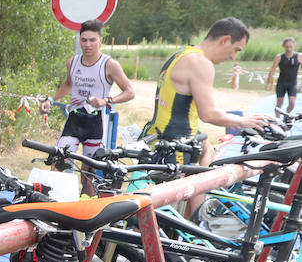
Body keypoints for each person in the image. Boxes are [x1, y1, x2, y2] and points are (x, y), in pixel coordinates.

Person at [143, 17, 275, 218]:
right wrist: (243, 121)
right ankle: (194, 232)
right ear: (225, 40)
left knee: (173, 208)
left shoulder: (180, 55)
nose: (233, 57)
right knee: (163, 221)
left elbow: (180, 109)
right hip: (175, 147)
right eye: (236, 49)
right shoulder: (201, 63)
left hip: (159, 138)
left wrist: (203, 142)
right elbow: (209, 114)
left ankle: (196, 229)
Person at [41, 20, 135, 192]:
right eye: (84, 40)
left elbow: (130, 92)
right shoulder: (73, 62)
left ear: (100, 40)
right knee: (58, 161)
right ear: (79, 40)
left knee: (89, 174)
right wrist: (51, 99)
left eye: (92, 40)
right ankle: (55, 205)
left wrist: (107, 101)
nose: (88, 44)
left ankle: (85, 212)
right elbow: (68, 85)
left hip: (97, 123)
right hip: (75, 120)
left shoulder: (109, 64)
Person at [266, 37, 299, 116]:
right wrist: (269, 83)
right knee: (279, 102)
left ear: (294, 45)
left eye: (290, 46)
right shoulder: (279, 57)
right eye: (287, 46)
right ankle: (277, 118)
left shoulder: (299, 56)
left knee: (292, 103)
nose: (289, 49)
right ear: (283, 46)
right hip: (282, 82)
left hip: (292, 83)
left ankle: (286, 115)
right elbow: (272, 70)